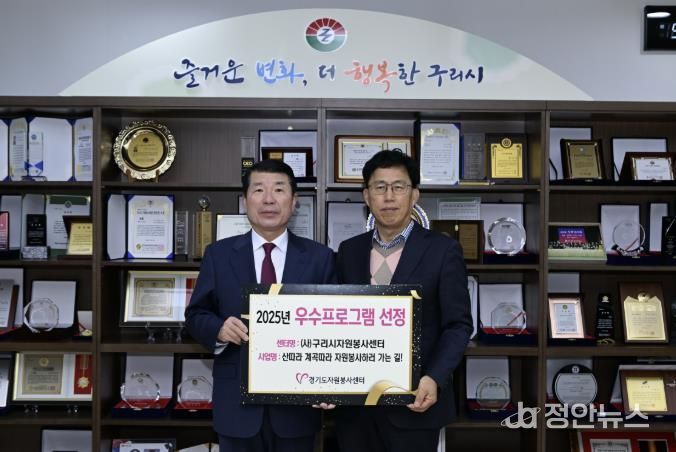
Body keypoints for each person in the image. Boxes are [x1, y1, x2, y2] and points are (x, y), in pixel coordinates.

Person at [185, 159, 335, 452]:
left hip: (298, 407)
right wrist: (218, 329)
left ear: (294, 201)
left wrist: (330, 382)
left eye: (279, 189)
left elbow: (334, 329)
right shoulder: (218, 254)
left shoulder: (320, 258)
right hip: (236, 407)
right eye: (258, 190)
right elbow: (195, 315)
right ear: (245, 201)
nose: (268, 199)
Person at [334, 150, 473, 452]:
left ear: (414, 195)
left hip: (415, 403)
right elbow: (336, 322)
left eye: (398, 187)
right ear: (366, 196)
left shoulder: (443, 250)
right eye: (379, 187)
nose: (389, 196)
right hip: (355, 409)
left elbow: (458, 325)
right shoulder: (348, 251)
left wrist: (434, 377)